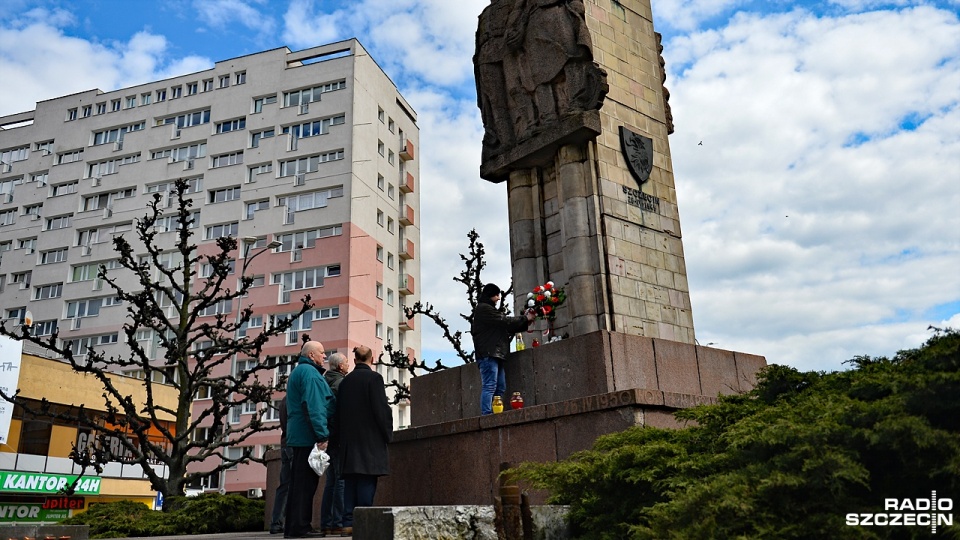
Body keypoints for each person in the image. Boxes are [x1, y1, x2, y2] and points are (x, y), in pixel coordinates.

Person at [337, 345, 393, 536]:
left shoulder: (345, 382)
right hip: (369, 440)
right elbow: (381, 409)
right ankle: (363, 521)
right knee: (367, 479)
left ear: (354, 360)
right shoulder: (374, 379)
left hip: (348, 441)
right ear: (372, 358)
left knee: (351, 481)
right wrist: (387, 434)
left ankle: (348, 522)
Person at [283, 341, 335, 539]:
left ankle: (294, 527)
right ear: (312, 355)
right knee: (305, 486)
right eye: (322, 353)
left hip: (299, 436)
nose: (325, 357)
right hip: (307, 437)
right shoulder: (310, 374)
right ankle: (300, 527)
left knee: (298, 485)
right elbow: (315, 406)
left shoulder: (301, 371)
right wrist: (322, 435)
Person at [471, 283, 535, 415]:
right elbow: (504, 321)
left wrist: (524, 321)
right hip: (488, 353)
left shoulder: (488, 310)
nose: (499, 298)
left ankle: (495, 411)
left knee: (500, 386)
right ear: (491, 295)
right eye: (497, 295)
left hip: (496, 353)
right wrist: (524, 319)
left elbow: (506, 324)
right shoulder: (483, 309)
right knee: (490, 385)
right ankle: (486, 414)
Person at [319, 352, 348, 536]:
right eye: (346, 363)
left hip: (327, 435)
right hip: (338, 436)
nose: (348, 365)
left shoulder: (323, 381)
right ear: (339, 367)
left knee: (330, 482)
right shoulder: (341, 383)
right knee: (340, 481)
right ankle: (337, 521)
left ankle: (326, 522)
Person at [268, 399, 291, 534]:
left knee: (284, 486)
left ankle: (276, 522)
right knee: (296, 485)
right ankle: (291, 522)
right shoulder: (295, 399)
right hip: (294, 443)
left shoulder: (283, 401)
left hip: (285, 444)